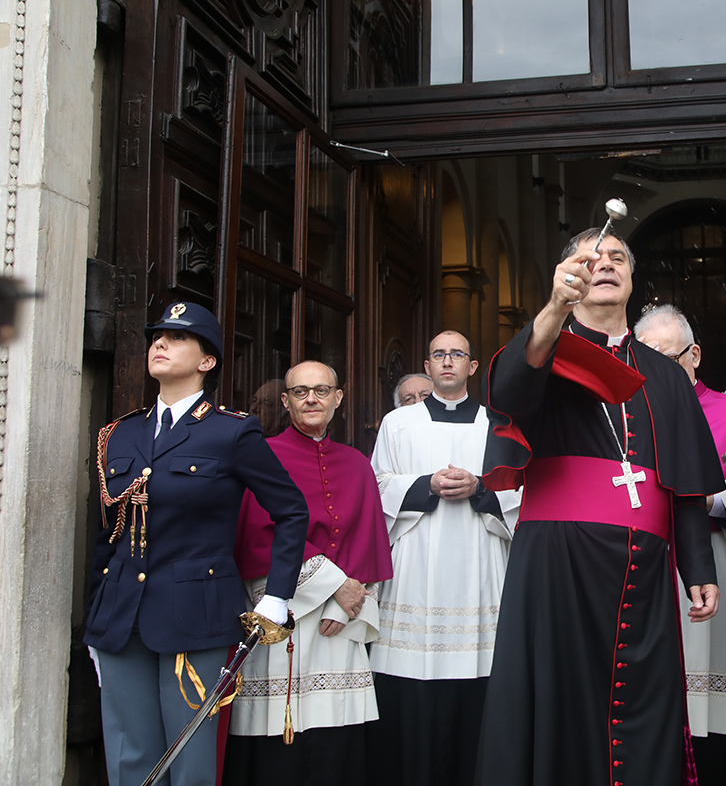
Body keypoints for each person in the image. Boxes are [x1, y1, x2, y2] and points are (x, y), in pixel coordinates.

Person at [474, 228, 725, 786]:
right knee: (561, 696)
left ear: (632, 279)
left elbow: (683, 479)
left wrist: (698, 568)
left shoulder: (664, 374)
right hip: (559, 563)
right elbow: (510, 394)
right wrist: (553, 311)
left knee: (647, 701)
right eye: (589, 259)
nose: (604, 265)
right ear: (570, 277)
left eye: (616, 258)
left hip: (645, 569)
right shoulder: (545, 349)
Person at [86, 301, 308, 786]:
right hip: (121, 615)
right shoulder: (119, 434)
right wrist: (95, 618)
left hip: (197, 613)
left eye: (176, 337)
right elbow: (108, 530)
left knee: (188, 759)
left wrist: (276, 595)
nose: (159, 344)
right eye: (156, 336)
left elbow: (292, 511)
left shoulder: (232, 431)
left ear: (207, 361)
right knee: (128, 754)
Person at [225, 361, 393, 784]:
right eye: (301, 392)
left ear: (338, 398)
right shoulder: (262, 455)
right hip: (286, 610)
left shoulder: (356, 463)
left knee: (337, 731)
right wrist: (335, 585)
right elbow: (258, 537)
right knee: (282, 735)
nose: (312, 399)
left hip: (342, 621)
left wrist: (354, 600)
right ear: (286, 401)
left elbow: (369, 540)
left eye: (321, 390)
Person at [368, 331, 521, 786]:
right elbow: (376, 487)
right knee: (413, 697)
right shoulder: (398, 423)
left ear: (472, 367)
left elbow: (523, 491)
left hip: (481, 563)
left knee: (481, 686)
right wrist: (423, 486)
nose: (448, 361)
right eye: (439, 354)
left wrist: (480, 487)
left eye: (457, 355)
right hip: (416, 569)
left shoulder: (499, 425)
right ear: (428, 365)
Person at [635, 304, 726, 786]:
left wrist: (711, 499)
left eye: (667, 360)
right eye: (642, 360)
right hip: (646, 567)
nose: (654, 373)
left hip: (720, 562)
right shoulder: (625, 418)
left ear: (694, 355)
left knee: (724, 704)